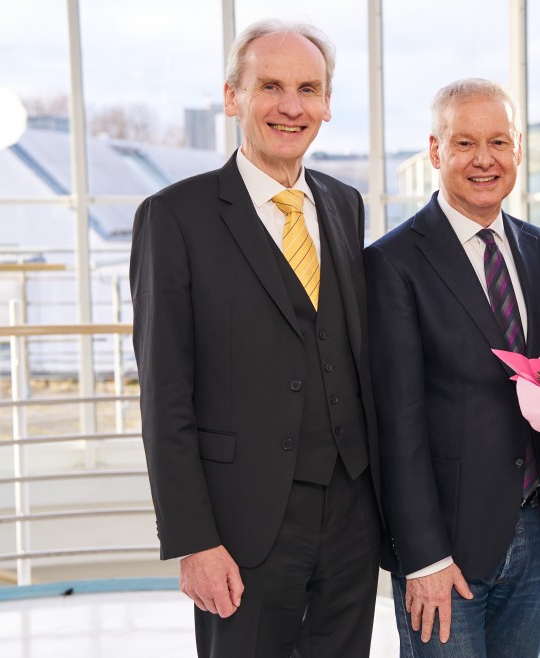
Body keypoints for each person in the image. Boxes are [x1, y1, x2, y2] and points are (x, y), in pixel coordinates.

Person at [130, 19, 383, 657]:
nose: (291, 106)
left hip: (351, 514)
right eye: (270, 86)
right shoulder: (174, 216)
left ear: (327, 104)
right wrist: (194, 540)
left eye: (308, 89)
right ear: (232, 96)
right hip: (241, 526)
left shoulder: (344, 204)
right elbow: (165, 393)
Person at [364, 78, 540, 658]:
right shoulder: (393, 263)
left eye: (498, 142)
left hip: (537, 537)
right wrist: (423, 556)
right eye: (465, 143)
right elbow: (396, 423)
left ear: (517, 148)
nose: (484, 160)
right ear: (436, 151)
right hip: (446, 551)